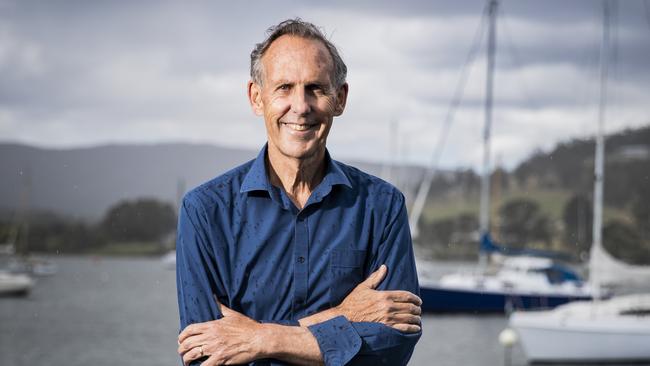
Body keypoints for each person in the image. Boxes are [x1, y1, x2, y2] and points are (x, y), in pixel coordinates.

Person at [175, 19, 422, 366]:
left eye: (316, 88)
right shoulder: (204, 212)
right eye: (284, 88)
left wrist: (260, 339)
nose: (301, 106)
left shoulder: (382, 207)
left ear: (340, 99)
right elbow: (206, 353)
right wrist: (342, 316)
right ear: (256, 98)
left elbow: (394, 345)